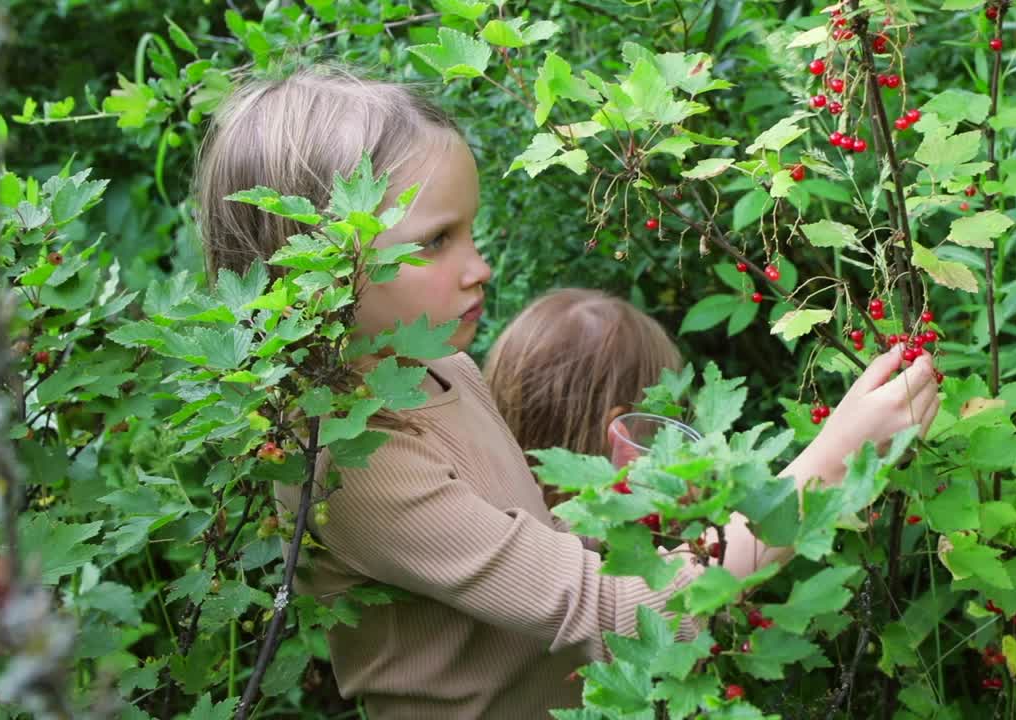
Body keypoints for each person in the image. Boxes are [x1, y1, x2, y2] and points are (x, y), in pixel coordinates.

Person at [194, 64, 941, 719]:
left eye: (471, 232)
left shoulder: (447, 372)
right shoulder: (354, 464)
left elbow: (540, 549)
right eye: (435, 240)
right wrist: (829, 467)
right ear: (306, 267)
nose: (479, 266)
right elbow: (625, 616)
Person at [483, 288, 683, 507]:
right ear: (618, 431)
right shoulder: (629, 532)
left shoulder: (477, 505)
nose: (676, 434)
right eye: (663, 425)